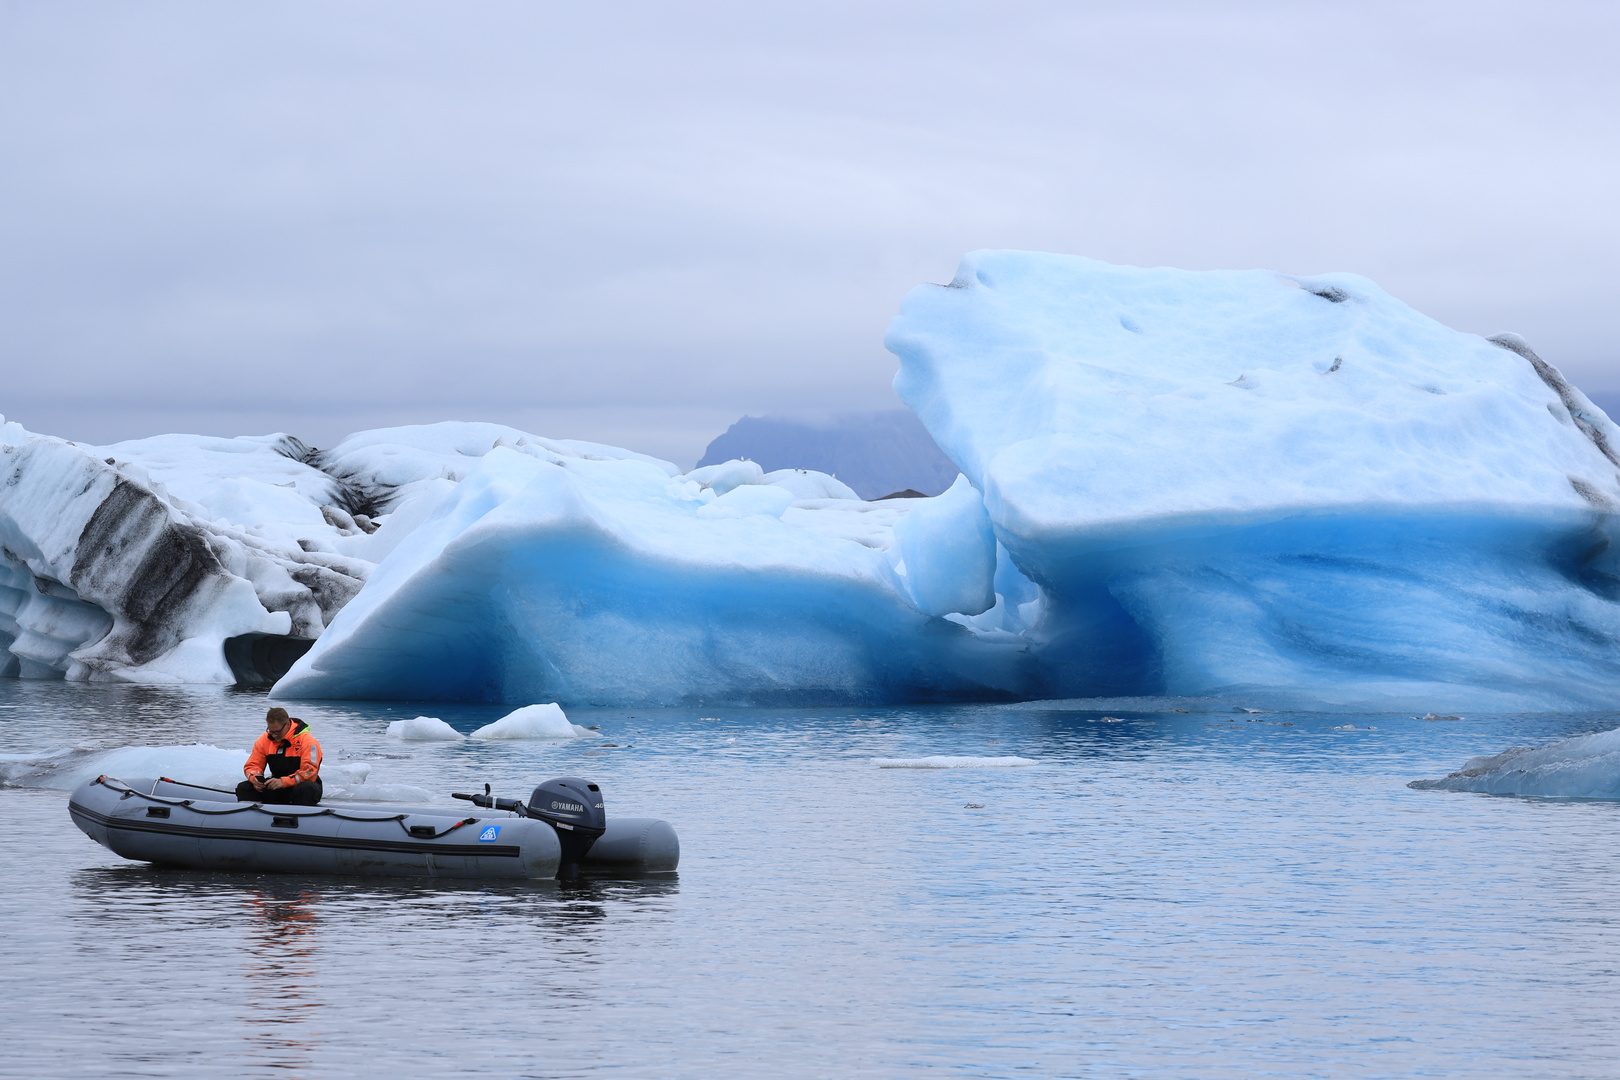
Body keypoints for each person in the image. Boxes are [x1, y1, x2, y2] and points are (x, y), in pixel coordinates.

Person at [236, 707, 323, 805]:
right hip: (276, 784)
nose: (274, 735)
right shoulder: (264, 740)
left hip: (302, 784)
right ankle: (253, 817)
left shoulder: (308, 742)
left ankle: (300, 817)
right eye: (271, 731)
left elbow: (310, 772)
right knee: (244, 788)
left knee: (305, 789)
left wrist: (284, 782)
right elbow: (252, 765)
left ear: (288, 724)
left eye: (277, 732)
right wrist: (255, 778)